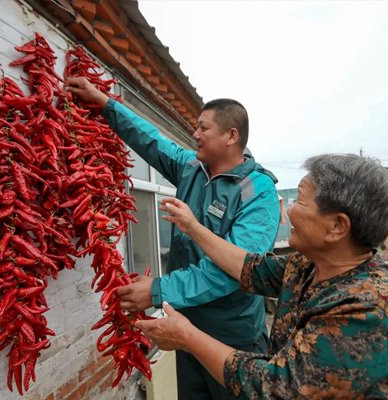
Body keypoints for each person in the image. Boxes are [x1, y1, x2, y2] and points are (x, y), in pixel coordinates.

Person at [137, 154, 388, 399]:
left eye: (300, 201)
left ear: (337, 227)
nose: (289, 210)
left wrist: (187, 337)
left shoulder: (369, 309)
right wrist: (192, 226)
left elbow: (274, 387)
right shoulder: (309, 266)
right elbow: (249, 268)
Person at [65, 77, 280, 399]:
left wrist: (158, 289)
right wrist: (105, 103)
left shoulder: (257, 192)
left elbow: (236, 269)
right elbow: (152, 141)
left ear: (231, 136)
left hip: (232, 337)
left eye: (203, 127)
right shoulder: (193, 168)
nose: (195, 134)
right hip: (185, 325)